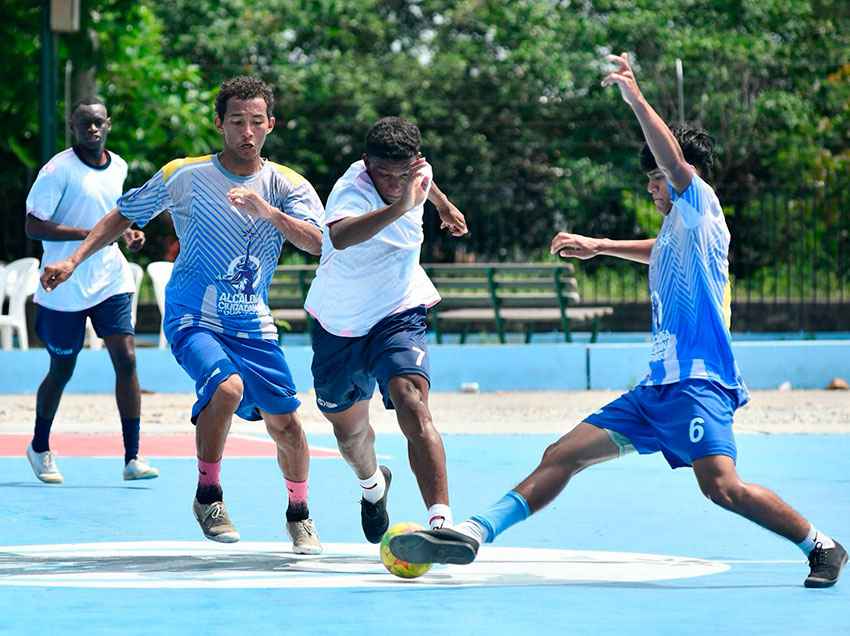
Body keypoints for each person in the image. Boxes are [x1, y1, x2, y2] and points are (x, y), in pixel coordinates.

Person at [389, 53, 846, 588]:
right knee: (563, 454)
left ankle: (822, 545)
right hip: (655, 392)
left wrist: (634, 97)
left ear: (682, 174)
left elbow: (675, 165)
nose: (653, 186)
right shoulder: (681, 229)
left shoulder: (699, 202)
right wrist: (599, 245)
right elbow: (659, 251)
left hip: (699, 384)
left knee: (723, 487)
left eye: (657, 177)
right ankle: (473, 532)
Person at [40, 76, 325, 555]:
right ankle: (208, 495)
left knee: (288, 426)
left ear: (271, 125)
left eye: (257, 122)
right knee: (226, 388)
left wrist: (268, 213)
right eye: (237, 121)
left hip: (253, 323)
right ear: (219, 124)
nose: (247, 132)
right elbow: (122, 214)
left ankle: (299, 512)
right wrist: (73, 259)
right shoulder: (185, 175)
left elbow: (317, 242)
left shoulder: (287, 185)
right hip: (192, 316)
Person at [304, 116, 468, 542]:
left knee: (412, 399)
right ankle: (373, 486)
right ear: (365, 163)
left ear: (415, 163)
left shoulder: (419, 174)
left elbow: (427, 183)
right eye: (383, 174)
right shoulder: (350, 188)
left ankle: (441, 523)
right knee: (350, 433)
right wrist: (401, 207)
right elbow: (339, 237)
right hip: (340, 322)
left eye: (403, 174)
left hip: (398, 310)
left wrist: (444, 207)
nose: (394, 183)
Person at [24, 97, 159, 484]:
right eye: (85, 124)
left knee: (127, 358)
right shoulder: (57, 171)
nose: (93, 130)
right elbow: (34, 226)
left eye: (99, 123)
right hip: (63, 282)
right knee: (62, 368)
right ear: (73, 127)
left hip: (110, 279)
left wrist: (128, 233)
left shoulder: (118, 166)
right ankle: (39, 446)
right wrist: (92, 235)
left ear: (109, 124)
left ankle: (133, 457)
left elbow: (113, 216)